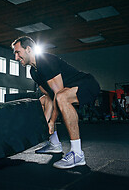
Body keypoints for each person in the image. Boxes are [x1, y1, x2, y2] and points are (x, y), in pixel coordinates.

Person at [11, 36, 100, 169]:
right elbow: (49, 96)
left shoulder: (45, 61)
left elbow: (58, 95)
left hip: (87, 84)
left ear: (28, 49)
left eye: (18, 53)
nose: (16, 58)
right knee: (41, 101)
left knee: (61, 98)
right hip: (65, 91)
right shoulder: (33, 71)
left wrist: (51, 122)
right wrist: (45, 124)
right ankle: (54, 144)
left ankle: (77, 154)